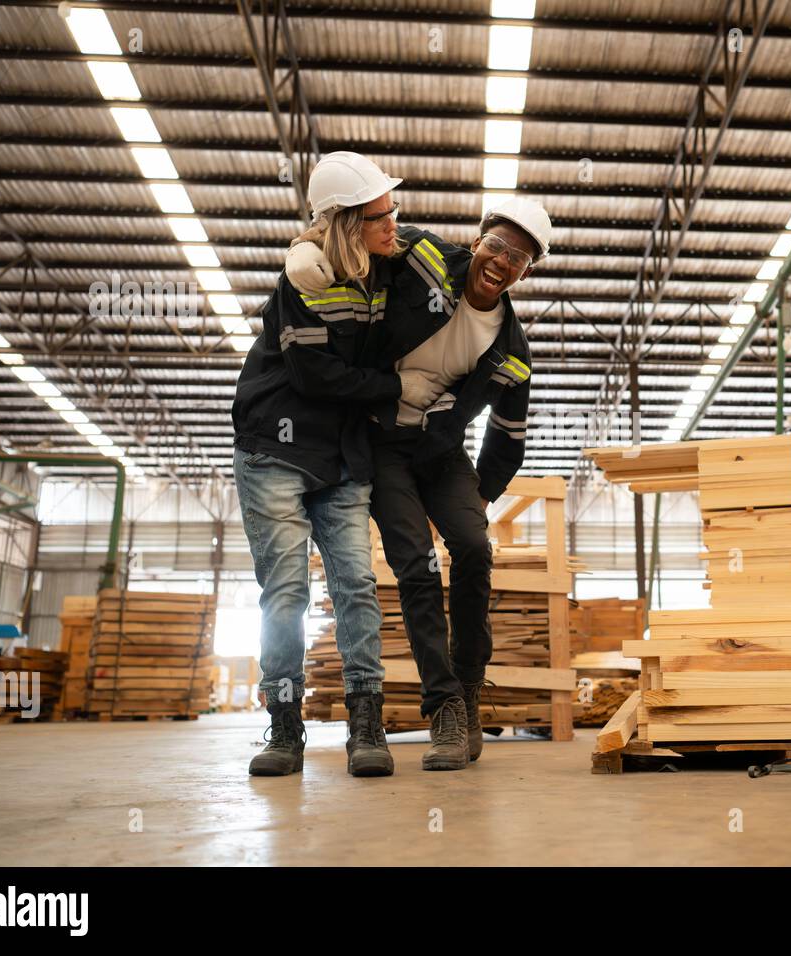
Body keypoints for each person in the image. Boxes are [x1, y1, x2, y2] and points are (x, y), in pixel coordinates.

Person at [286, 197, 551, 770]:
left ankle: (470, 689)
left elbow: (507, 433)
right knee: (416, 563)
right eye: (498, 246)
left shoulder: (512, 349)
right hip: (381, 440)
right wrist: (304, 248)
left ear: (527, 273)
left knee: (475, 548)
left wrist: (478, 498)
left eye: (520, 259)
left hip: (439, 449)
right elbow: (360, 235)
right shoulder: (426, 253)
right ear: (478, 241)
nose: (502, 263)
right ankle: (444, 708)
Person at [232, 152, 445, 778]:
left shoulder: (388, 265)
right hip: (275, 447)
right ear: (347, 224)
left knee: (355, 584)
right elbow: (314, 374)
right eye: (380, 216)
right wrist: (391, 388)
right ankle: (284, 727)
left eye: (393, 211)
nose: (394, 224)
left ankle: (365, 723)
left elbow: (448, 257)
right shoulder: (302, 280)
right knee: (287, 592)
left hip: (345, 456)